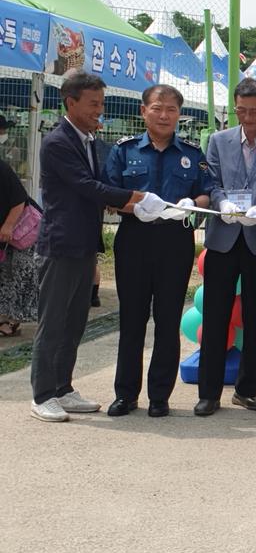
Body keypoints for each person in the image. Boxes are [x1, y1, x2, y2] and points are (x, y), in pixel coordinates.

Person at [29, 71, 166, 423]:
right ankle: (42, 394)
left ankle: (63, 387)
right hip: (60, 244)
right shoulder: (58, 141)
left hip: (84, 244)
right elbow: (87, 186)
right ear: (70, 102)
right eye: (93, 104)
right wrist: (134, 199)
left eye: (101, 104)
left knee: (75, 320)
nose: (99, 111)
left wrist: (128, 201)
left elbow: (98, 186)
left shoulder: (87, 139)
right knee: (53, 321)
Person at [103, 84, 213, 418]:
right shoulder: (123, 151)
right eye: (157, 108)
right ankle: (126, 394)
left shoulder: (193, 154)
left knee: (167, 320)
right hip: (134, 239)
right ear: (143, 111)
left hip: (175, 241)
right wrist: (134, 205)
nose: (164, 115)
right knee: (132, 318)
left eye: (171, 110)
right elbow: (110, 194)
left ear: (180, 114)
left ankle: (159, 396)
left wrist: (190, 204)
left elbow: (207, 195)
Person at [193, 79, 256, 416]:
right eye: (241, 111)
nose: (247, 118)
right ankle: (209, 393)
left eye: (253, 111)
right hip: (224, 236)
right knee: (216, 315)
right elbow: (211, 181)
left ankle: (247, 390)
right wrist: (222, 204)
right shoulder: (218, 141)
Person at [0, 157, 38, 338]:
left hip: (21, 230)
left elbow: (19, 200)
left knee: (18, 273)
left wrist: (8, 225)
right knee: (4, 276)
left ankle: (13, 321)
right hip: (4, 236)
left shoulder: (2, 169)